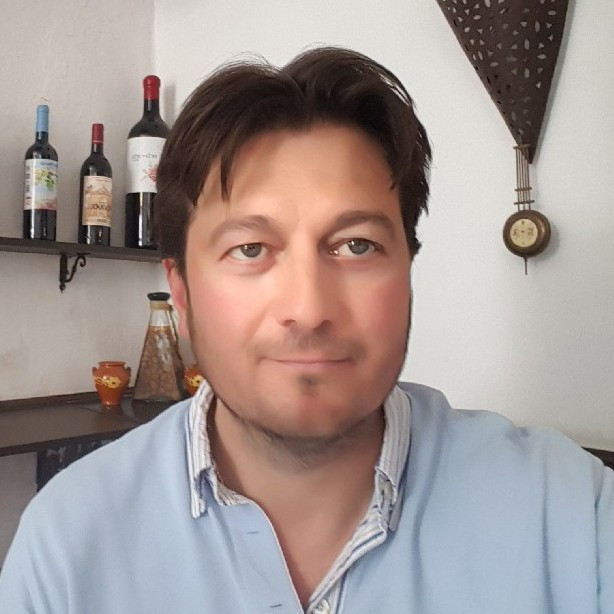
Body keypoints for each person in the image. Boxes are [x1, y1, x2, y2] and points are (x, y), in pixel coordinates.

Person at [0, 46, 612, 614]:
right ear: (181, 293)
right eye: (249, 249)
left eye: (356, 244)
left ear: (408, 271)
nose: (309, 308)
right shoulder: (69, 543)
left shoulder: (570, 516)